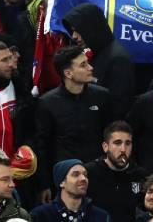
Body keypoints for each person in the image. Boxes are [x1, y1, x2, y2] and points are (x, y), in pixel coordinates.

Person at [35, 46, 113, 202]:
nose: (91, 68)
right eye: (83, 65)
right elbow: (42, 146)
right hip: (64, 179)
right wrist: (44, 184)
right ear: (68, 73)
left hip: (98, 176)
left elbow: (110, 136)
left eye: (88, 63)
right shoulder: (47, 103)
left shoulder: (102, 96)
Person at [61, 2, 134, 118]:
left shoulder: (118, 59)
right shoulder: (98, 53)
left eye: (78, 30)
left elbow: (118, 106)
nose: (74, 36)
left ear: (91, 28)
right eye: (72, 31)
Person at [84, 120, 147, 222]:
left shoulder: (141, 175)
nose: (123, 149)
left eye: (128, 143)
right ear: (105, 147)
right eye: (117, 143)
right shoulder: (89, 173)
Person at [30, 159, 110, 222]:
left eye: (85, 175)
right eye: (75, 174)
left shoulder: (101, 217)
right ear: (62, 182)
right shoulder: (40, 215)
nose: (83, 178)